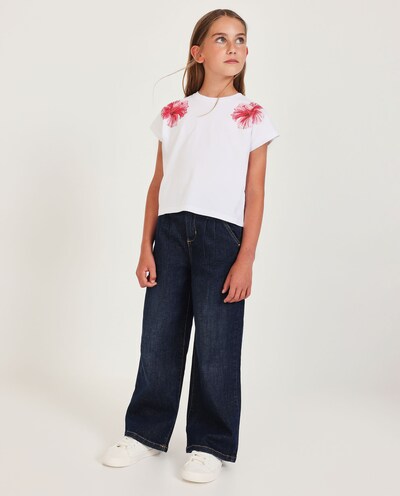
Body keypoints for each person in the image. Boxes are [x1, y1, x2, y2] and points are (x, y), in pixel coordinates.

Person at [101, 8, 279, 483]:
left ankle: (209, 443)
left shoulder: (252, 115)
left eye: (240, 39)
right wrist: (145, 247)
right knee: (159, 336)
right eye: (221, 39)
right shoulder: (174, 115)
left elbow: (255, 192)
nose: (233, 47)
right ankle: (145, 433)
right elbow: (157, 184)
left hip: (223, 237)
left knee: (217, 345)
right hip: (169, 234)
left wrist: (246, 258)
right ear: (198, 53)